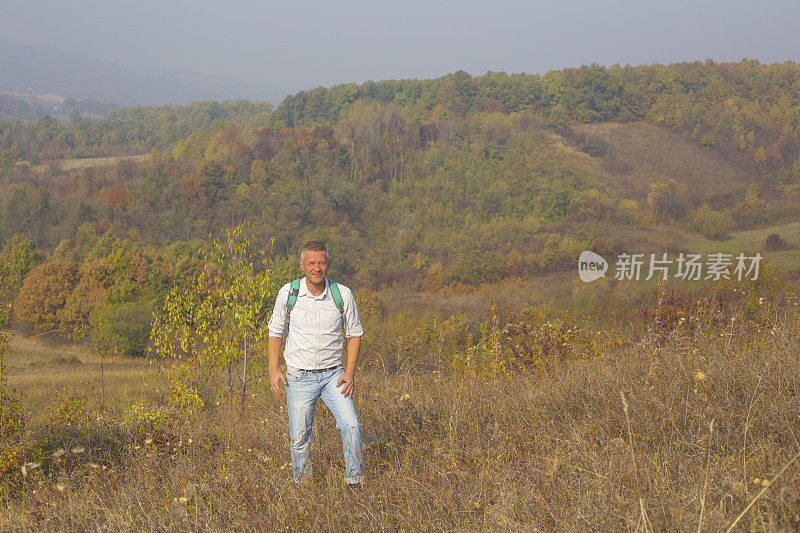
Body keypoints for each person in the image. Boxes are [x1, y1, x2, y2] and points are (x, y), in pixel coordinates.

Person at [267, 240, 364, 487]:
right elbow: (275, 331)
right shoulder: (288, 293)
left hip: (335, 375)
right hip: (299, 376)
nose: (317, 268)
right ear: (302, 265)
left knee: (352, 425)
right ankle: (304, 487)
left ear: (328, 264)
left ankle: (354, 482)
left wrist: (350, 373)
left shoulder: (342, 294)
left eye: (321, 262)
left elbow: (355, 334)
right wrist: (273, 370)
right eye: (311, 263)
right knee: (299, 438)